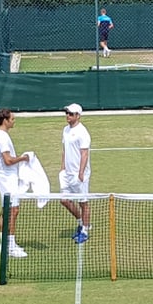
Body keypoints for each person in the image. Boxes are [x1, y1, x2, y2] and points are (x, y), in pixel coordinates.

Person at [0, 109, 31, 258]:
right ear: (5, 120)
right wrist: (23, 158)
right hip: (6, 179)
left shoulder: (0, 135)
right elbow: (8, 161)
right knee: (12, 211)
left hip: (7, 178)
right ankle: (11, 246)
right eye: (12, 119)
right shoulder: (1, 137)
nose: (14, 121)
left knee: (6, 210)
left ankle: (5, 243)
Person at [60, 103, 91, 243]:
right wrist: (62, 168)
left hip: (79, 174)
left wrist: (81, 173)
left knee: (83, 202)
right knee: (64, 200)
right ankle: (80, 221)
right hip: (67, 173)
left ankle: (85, 229)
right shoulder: (65, 130)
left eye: (71, 114)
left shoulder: (82, 132)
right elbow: (65, 150)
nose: (68, 116)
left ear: (78, 116)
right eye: (67, 113)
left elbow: (84, 154)